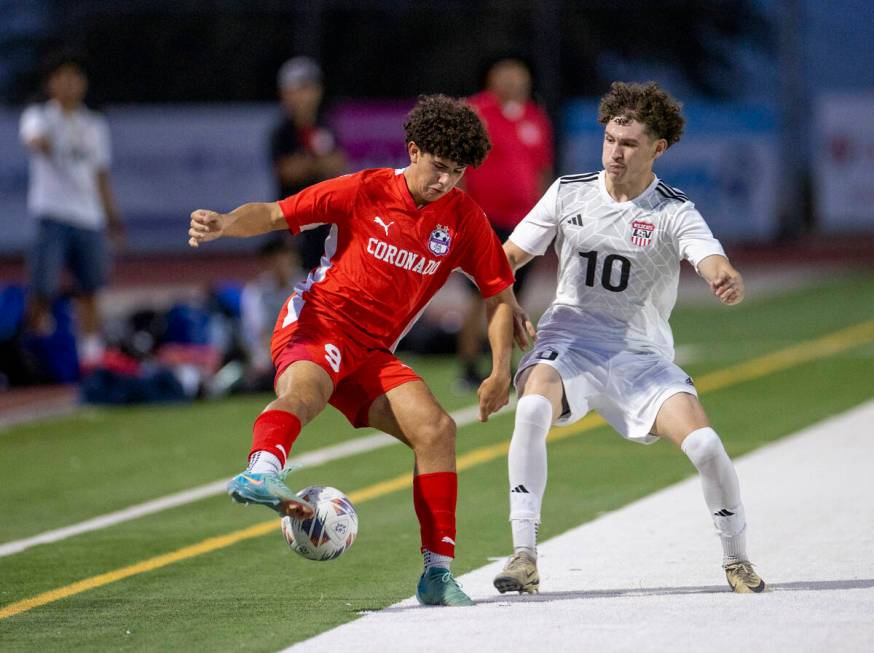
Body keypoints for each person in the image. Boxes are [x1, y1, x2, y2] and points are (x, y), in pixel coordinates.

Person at [188, 95, 532, 607]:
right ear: (413, 151)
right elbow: (275, 214)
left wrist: (501, 369)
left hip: (371, 352)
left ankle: (436, 575)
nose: (445, 181)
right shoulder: (365, 188)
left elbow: (499, 298)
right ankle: (262, 472)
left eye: (457, 172)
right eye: (438, 167)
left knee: (437, 431)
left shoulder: (463, 218)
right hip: (318, 322)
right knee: (305, 392)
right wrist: (224, 223)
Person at [492, 81, 766, 595]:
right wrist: (503, 299)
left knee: (706, 446)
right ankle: (523, 556)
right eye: (610, 139)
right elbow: (505, 260)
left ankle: (737, 560)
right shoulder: (568, 191)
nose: (615, 152)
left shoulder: (672, 209)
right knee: (530, 411)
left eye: (629, 143)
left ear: (657, 149)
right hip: (568, 342)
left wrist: (721, 273)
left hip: (640, 355)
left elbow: (708, 255)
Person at [19, 51, 123, 369]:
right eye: (62, 77)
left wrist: (112, 217)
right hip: (52, 215)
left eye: (75, 77)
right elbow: (34, 140)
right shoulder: (40, 116)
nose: (69, 84)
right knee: (43, 289)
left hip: (88, 217)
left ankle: (89, 357)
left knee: (90, 289)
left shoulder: (94, 124)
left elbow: (101, 175)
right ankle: (30, 353)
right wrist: (53, 144)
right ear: (51, 84)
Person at [456, 56, 554, 388]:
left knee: (514, 298)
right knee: (480, 295)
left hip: (524, 222)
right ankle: (468, 366)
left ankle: (505, 366)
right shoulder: (475, 112)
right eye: (506, 74)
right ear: (492, 78)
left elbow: (541, 169)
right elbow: (459, 166)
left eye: (519, 73)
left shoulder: (534, 116)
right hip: (484, 219)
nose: (514, 80)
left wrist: (545, 217)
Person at [269, 56, 346, 273]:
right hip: (294, 222)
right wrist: (318, 163)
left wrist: (309, 164)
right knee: (295, 282)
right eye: (297, 90)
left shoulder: (325, 126)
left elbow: (338, 163)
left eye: (308, 89)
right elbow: (288, 172)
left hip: (325, 221)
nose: (303, 97)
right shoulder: (282, 132)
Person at [238, 237, 305, 391]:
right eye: (276, 258)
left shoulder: (310, 283)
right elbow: (259, 332)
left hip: (305, 347)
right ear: (267, 262)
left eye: (286, 256)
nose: (282, 263)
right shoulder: (256, 292)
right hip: (270, 354)